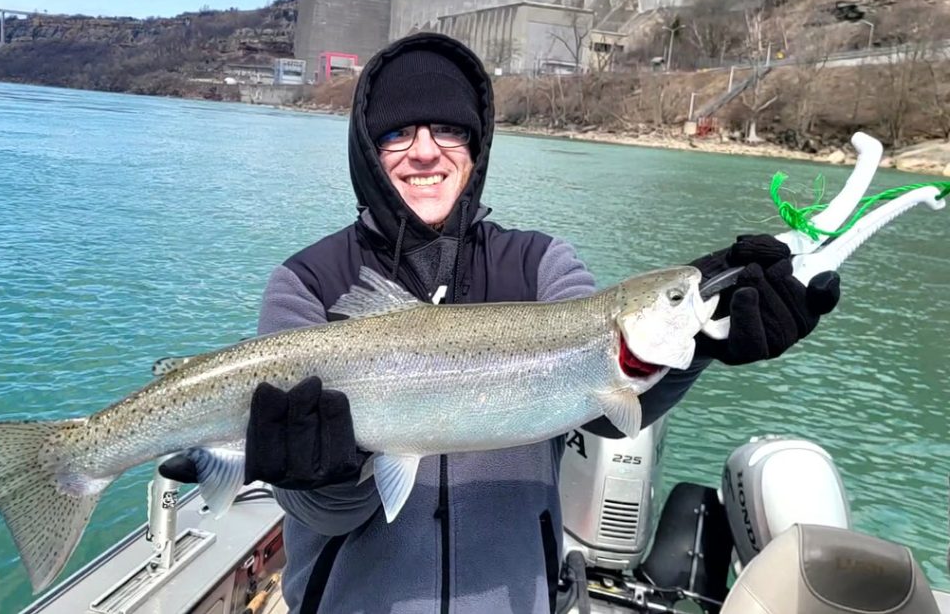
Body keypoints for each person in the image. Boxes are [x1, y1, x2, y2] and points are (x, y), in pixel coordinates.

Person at [161, 32, 840, 613]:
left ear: (476, 144)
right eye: (398, 132)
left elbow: (605, 407)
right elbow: (322, 516)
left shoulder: (541, 264)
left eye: (448, 129)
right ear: (367, 150)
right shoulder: (307, 282)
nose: (425, 152)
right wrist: (325, 477)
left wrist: (696, 344)